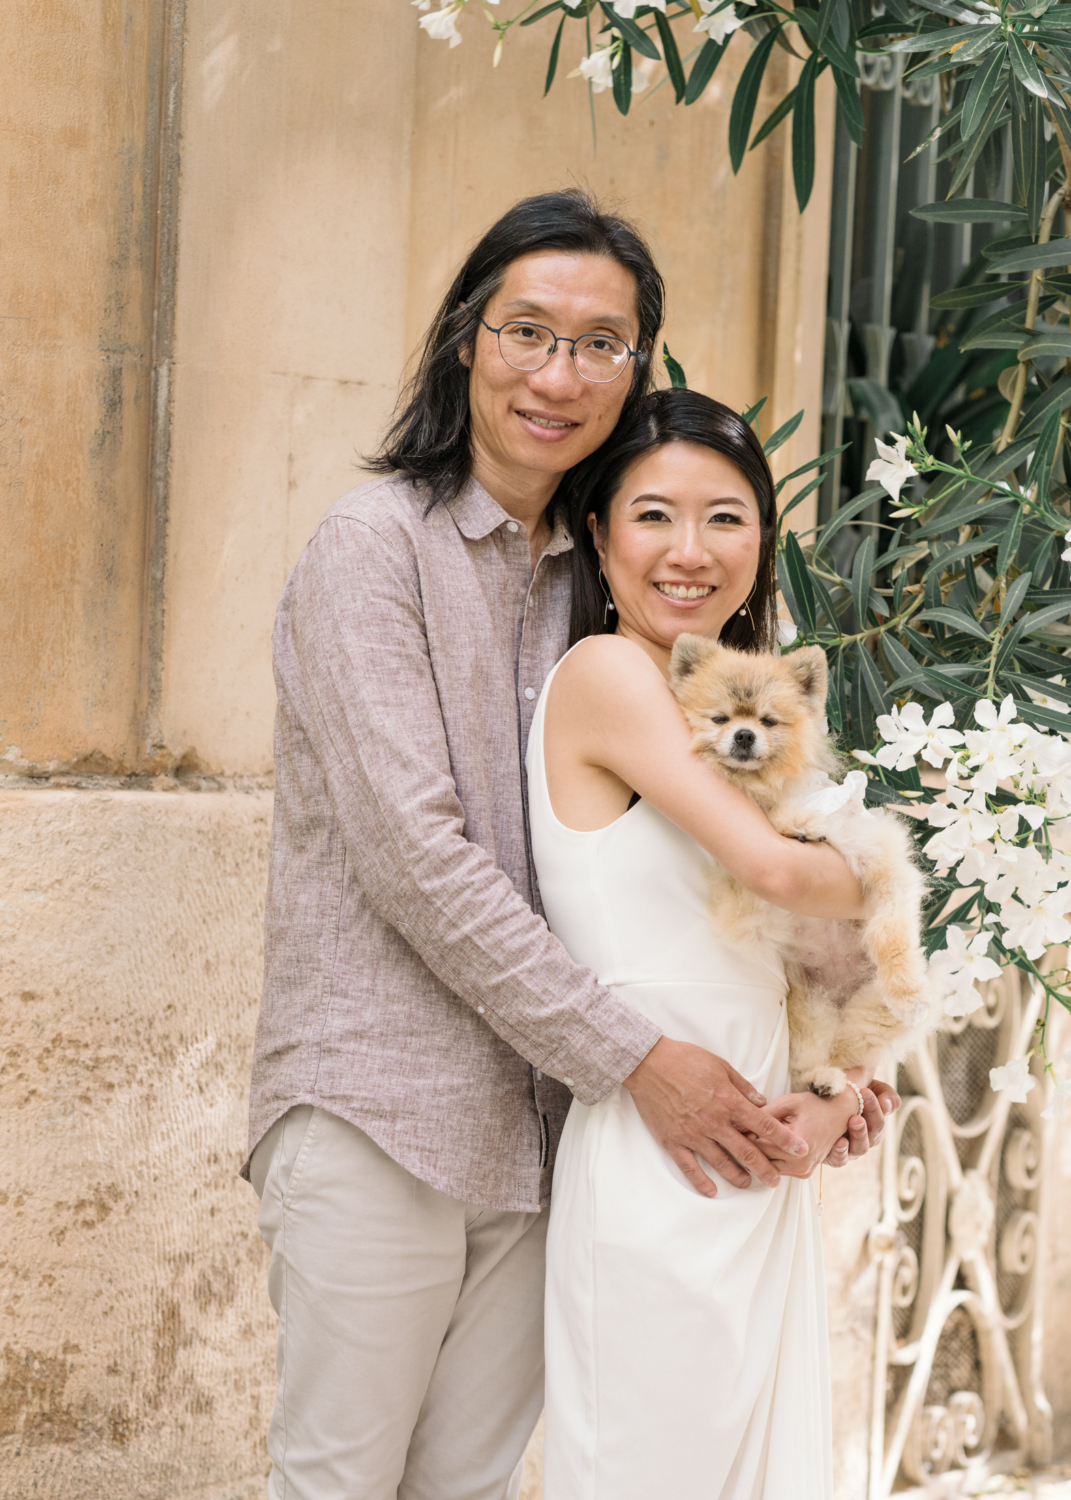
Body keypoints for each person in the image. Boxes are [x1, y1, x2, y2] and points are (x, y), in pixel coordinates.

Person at [243, 191, 893, 1500]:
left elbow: (696, 879)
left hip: (553, 1136)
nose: (560, 374)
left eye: (601, 345)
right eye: (526, 332)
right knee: (336, 1482)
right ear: (462, 342)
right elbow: (414, 859)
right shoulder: (370, 552)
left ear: (636, 367)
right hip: (387, 1103)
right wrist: (636, 1060)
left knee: (467, 1491)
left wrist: (831, 1066)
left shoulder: (601, 588)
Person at [530, 386, 883, 1498]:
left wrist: (834, 1093)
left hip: (764, 1151)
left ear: (765, 539)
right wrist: (912, 871)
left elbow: (821, 959)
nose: (692, 552)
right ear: (597, 532)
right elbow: (783, 873)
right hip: (656, 1145)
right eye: (653, 516)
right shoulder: (610, 675)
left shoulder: (755, 704)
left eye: (726, 516)